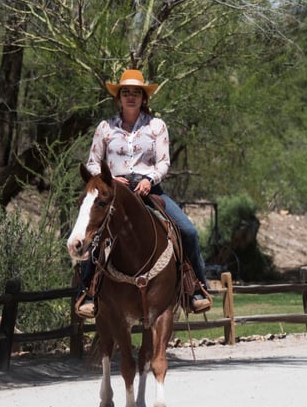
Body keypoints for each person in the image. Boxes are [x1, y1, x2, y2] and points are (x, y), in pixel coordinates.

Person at [75, 68, 212, 319]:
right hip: (115, 194)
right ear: (119, 97)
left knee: (188, 231)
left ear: (143, 98)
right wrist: (107, 179)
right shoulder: (105, 127)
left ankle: (196, 289)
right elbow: (93, 162)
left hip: (149, 191)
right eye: (125, 92)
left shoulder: (156, 126)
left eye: (135, 93)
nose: (130, 97)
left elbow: (164, 162)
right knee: (93, 236)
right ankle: (88, 293)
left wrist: (150, 179)